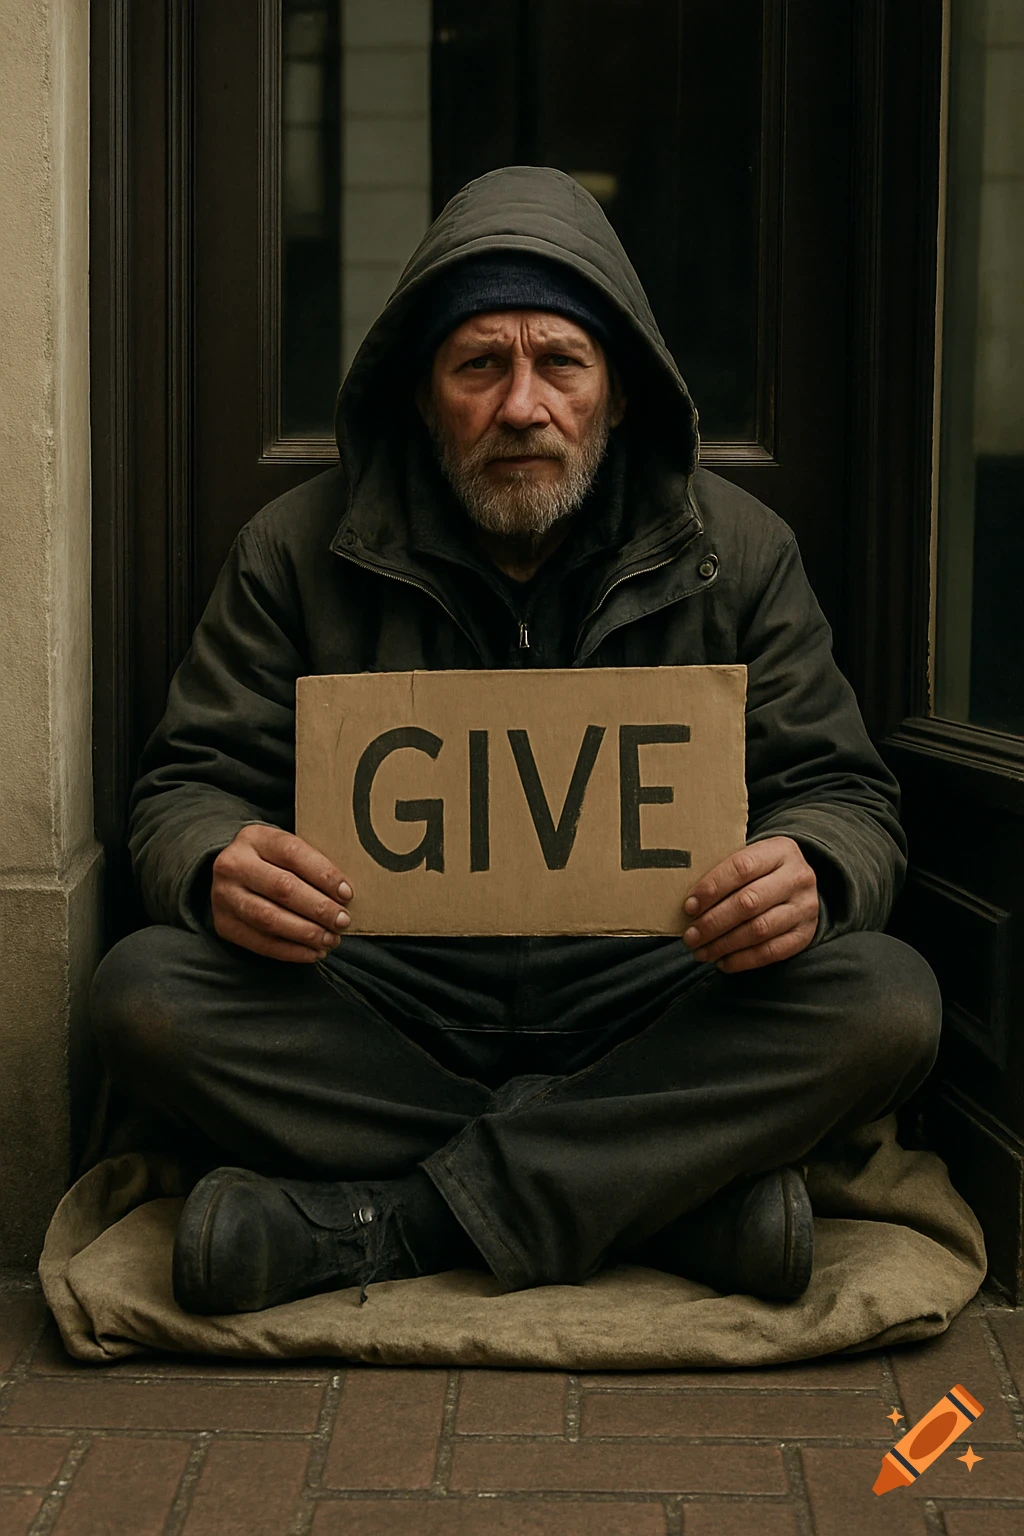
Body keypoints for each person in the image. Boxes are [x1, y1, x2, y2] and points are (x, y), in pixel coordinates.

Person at [91, 166, 941, 1316]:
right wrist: (213, 862)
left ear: (619, 393)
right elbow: (184, 786)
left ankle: (390, 1223)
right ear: (422, 393)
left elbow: (844, 793)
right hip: (386, 997)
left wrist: (814, 868)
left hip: (651, 992)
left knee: (886, 1001)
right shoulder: (293, 550)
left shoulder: (737, 553)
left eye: (562, 364)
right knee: (146, 996)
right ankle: (662, 1195)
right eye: (480, 365)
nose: (523, 406)